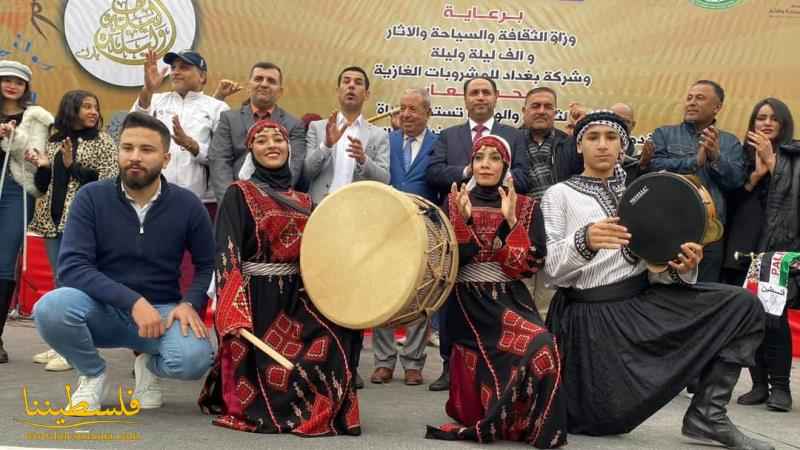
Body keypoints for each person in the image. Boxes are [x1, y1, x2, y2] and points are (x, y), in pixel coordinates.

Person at [541, 111, 771, 450]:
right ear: (579, 146)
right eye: (593, 138)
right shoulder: (559, 195)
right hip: (591, 318)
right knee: (599, 421)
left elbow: (658, 263)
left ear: (623, 146)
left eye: (611, 137)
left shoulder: (647, 188)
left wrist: (682, 264)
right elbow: (552, 273)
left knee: (742, 305)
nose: (602, 145)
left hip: (642, 302)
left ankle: (708, 413)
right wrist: (585, 240)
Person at [33, 112, 215, 411]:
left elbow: (208, 264)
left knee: (194, 360)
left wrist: (190, 303)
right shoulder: (91, 197)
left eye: (146, 150)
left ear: (166, 159)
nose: (135, 157)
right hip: (101, 308)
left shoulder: (188, 204)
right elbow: (72, 267)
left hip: (161, 314)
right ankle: (93, 374)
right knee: (51, 308)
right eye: (127, 148)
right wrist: (133, 302)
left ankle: (149, 367)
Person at [199, 120, 361, 436]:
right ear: (251, 151)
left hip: (298, 299)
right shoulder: (239, 192)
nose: (272, 145)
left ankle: (319, 408)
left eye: (278, 139)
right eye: (262, 140)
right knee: (270, 368)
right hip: (257, 301)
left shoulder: (304, 200)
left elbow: (319, 254)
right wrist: (233, 310)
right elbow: (226, 252)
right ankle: (281, 409)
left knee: (336, 335)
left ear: (289, 148)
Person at [425, 134, 566, 448]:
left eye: (494, 158)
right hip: (467, 303)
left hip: (510, 298)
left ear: (507, 165)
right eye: (479, 158)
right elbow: (446, 262)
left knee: (542, 342)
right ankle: (498, 415)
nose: (485, 164)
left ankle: (530, 422)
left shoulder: (527, 205)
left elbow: (527, 267)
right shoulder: (452, 201)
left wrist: (510, 221)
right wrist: (463, 220)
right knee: (530, 346)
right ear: (471, 163)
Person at [424, 76, 531, 391]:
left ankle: (497, 367)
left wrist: (493, 176)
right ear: (465, 98)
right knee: (454, 296)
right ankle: (449, 366)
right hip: (457, 215)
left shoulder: (514, 135)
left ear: (497, 97)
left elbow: (523, 174)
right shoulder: (449, 136)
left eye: (486, 92)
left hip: (500, 217)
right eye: (474, 92)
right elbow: (434, 172)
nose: (480, 97)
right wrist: (467, 173)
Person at [304, 66, 390, 388]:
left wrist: (365, 160)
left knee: (352, 297)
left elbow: (387, 180)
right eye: (346, 83)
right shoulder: (316, 128)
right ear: (338, 91)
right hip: (319, 221)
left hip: (357, 224)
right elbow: (305, 172)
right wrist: (327, 146)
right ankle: (319, 364)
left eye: (358, 84)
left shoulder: (378, 136)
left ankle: (349, 367)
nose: (351, 88)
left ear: (367, 94)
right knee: (318, 293)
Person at [25, 90, 118, 372]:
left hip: (82, 222)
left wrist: (72, 166)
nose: (92, 111)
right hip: (50, 220)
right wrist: (43, 167)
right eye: (86, 106)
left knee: (75, 282)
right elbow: (43, 186)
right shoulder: (54, 141)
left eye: (95, 106)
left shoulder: (103, 140)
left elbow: (109, 180)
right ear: (71, 109)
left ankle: (75, 350)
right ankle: (60, 343)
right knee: (60, 280)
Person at [724, 98, 797, 412]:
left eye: (773, 118)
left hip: (778, 249)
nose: (766, 123)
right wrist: (755, 175)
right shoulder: (739, 156)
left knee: (775, 317)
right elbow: (730, 199)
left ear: (783, 124)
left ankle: (780, 387)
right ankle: (757, 384)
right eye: (760, 118)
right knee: (750, 318)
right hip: (743, 247)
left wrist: (774, 164)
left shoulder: (794, 155)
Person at [371, 88, 438, 386]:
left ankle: (413, 362)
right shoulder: (387, 141)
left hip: (425, 230)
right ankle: (384, 362)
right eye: (402, 108)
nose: (407, 114)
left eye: (413, 109)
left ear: (427, 113)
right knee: (383, 291)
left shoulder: (440, 144)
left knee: (419, 294)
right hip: (386, 226)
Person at [650, 80, 747, 282]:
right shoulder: (664, 134)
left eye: (700, 98)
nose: (692, 102)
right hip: (669, 227)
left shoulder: (729, 142)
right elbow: (654, 167)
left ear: (717, 107)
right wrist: (694, 161)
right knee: (666, 290)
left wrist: (715, 158)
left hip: (710, 233)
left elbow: (737, 181)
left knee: (705, 292)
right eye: (689, 97)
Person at [0, 60, 53, 363]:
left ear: (26, 88)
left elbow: (34, 156)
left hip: (14, 190)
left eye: (18, 82)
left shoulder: (35, 118)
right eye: (6, 79)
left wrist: (12, 136)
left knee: (4, 263)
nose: (11, 85)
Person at [131, 49, 229, 205]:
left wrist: (190, 144)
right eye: (173, 67)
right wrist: (148, 89)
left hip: (201, 201)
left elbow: (221, 157)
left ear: (202, 76)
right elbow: (134, 127)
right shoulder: (156, 100)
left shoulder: (217, 107)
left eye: (184, 67)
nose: (175, 72)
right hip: (156, 198)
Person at [209, 61, 306, 202]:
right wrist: (230, 202)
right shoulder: (229, 119)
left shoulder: (294, 125)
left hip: (277, 203)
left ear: (280, 91)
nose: (264, 84)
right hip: (236, 200)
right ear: (249, 86)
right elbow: (219, 161)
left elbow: (295, 166)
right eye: (258, 79)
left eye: (271, 81)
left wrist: (271, 203)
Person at [520, 87, 581, 200]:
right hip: (521, 214)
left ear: (555, 113)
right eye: (535, 106)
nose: (541, 111)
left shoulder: (570, 144)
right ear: (524, 111)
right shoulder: (511, 142)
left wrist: (582, 125)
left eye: (548, 107)